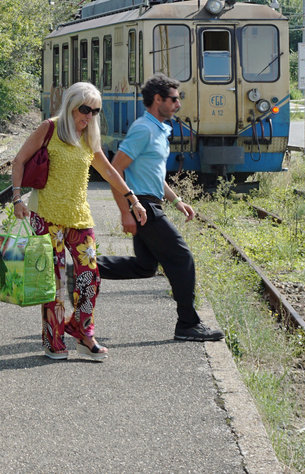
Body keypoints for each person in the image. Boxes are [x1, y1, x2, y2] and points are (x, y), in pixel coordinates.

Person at [11, 82, 146, 361]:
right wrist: (16, 199)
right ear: (71, 105)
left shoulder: (89, 137)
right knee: (55, 281)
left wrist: (132, 199)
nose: (89, 116)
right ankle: (53, 339)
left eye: (95, 111)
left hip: (79, 217)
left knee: (90, 276)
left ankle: (83, 332)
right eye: (84, 109)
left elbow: (108, 172)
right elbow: (19, 161)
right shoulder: (49, 129)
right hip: (46, 216)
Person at [96, 74, 225, 342]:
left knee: (145, 266)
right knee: (182, 258)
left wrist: (177, 201)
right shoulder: (144, 129)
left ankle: (85, 268)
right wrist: (125, 211)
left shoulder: (159, 130)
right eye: (174, 99)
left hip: (149, 202)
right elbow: (115, 170)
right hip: (142, 205)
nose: (178, 105)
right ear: (158, 100)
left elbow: (155, 176)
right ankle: (188, 324)